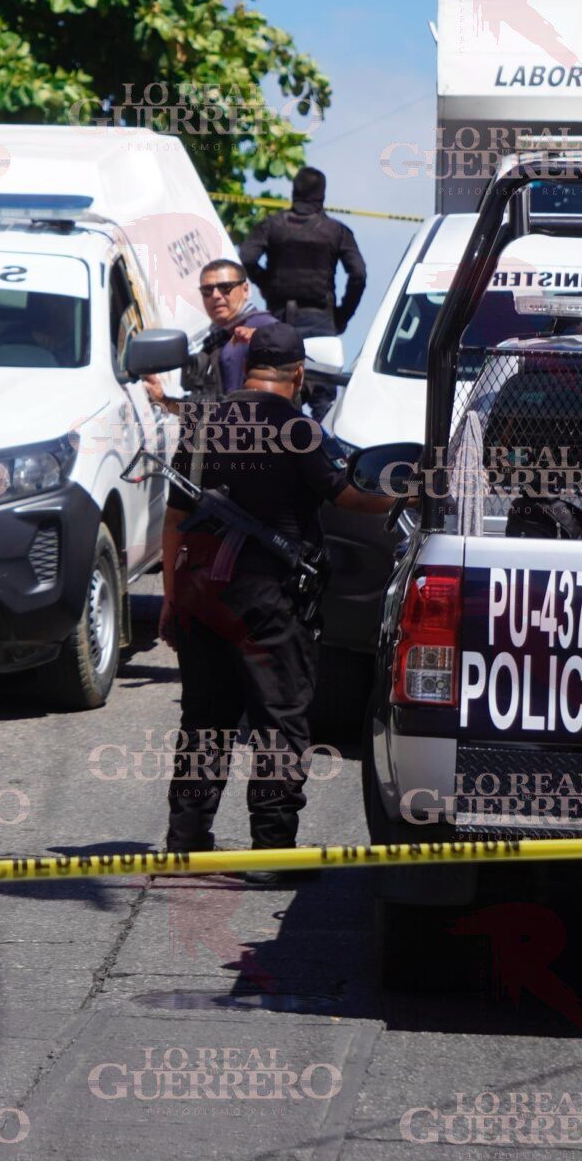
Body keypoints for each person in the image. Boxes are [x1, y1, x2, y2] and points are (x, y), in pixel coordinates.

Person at [160, 325, 400, 882]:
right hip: (268, 602)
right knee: (279, 720)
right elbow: (347, 496)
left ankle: (185, 844)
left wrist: (171, 599)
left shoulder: (202, 425)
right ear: (298, 373)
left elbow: (174, 520)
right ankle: (271, 851)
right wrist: (406, 495)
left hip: (201, 597)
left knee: (205, 721)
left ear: (248, 367)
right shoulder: (299, 429)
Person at [240, 167, 366, 338]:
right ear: (322, 194)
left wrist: (267, 284)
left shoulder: (270, 225)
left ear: (294, 191)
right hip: (320, 320)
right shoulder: (337, 231)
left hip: (278, 316)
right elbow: (359, 274)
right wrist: (343, 316)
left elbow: (246, 258)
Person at [145, 259, 278, 414]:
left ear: (245, 290)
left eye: (225, 287)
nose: (215, 295)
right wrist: (164, 400)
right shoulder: (218, 337)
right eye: (207, 290)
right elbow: (212, 411)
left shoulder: (263, 333)